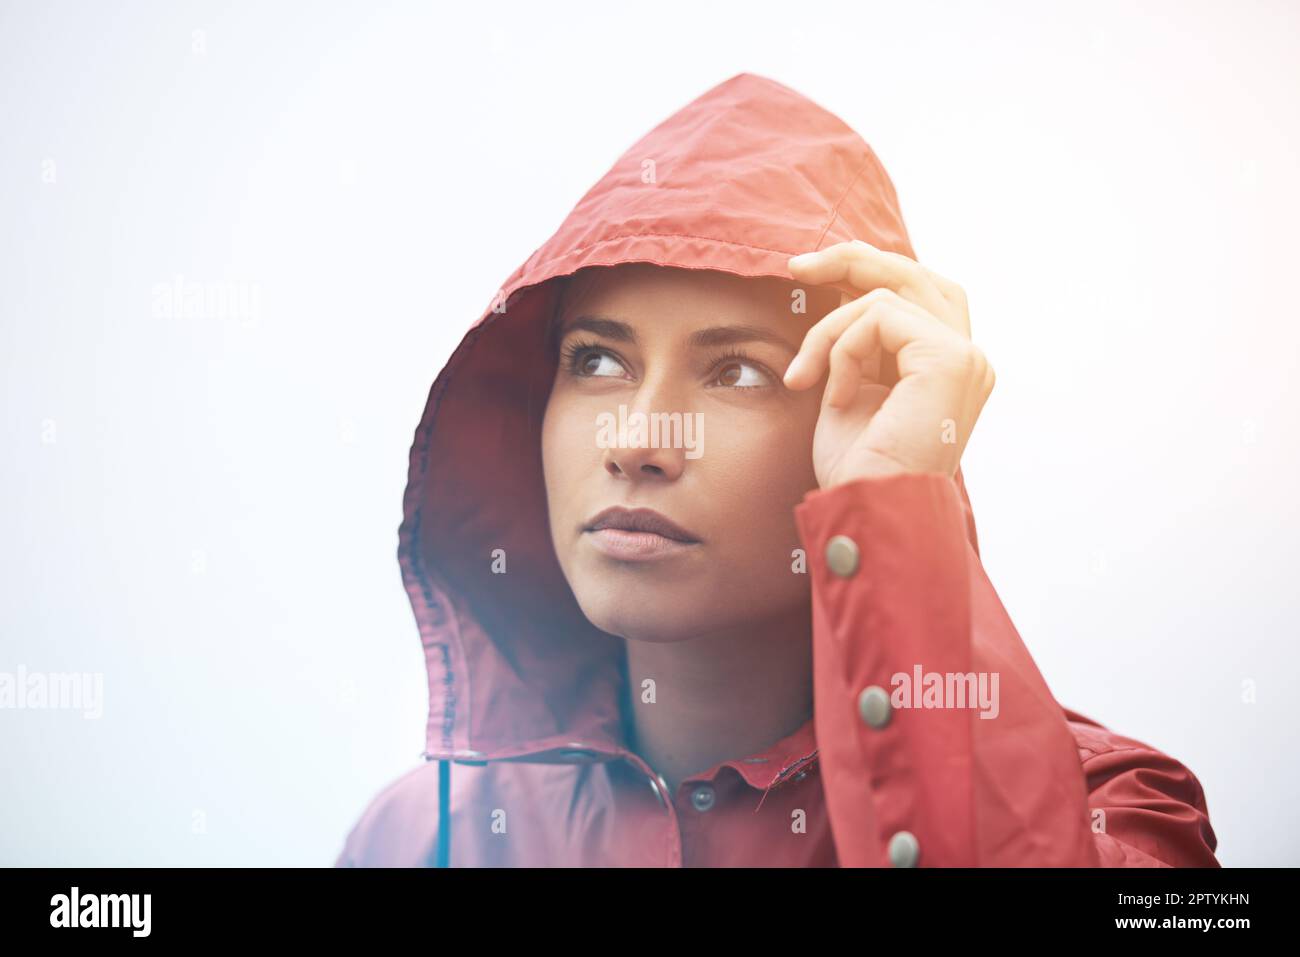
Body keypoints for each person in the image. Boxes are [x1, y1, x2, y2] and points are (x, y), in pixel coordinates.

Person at [334, 72, 1219, 867]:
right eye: (597, 361)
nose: (638, 439)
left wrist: (897, 501)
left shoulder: (1124, 814)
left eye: (738, 372)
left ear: (862, 411)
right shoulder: (422, 839)